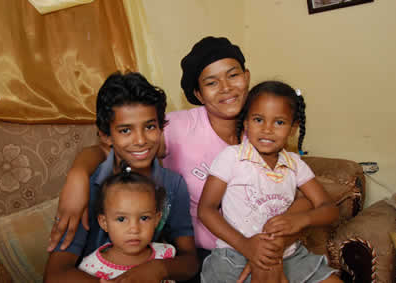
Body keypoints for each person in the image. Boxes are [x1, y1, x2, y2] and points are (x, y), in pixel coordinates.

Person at [48, 36, 313, 281]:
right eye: (211, 82)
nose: (141, 138)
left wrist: (279, 234)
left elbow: (297, 186)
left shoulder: (261, 133)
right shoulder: (174, 131)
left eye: (233, 75)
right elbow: (119, 146)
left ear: (247, 76)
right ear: (197, 94)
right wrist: (78, 174)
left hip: (238, 251)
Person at [43, 72, 199, 283]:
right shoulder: (87, 186)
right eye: (126, 130)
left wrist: (159, 268)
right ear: (106, 136)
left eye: (150, 127)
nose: (141, 140)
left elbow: (190, 260)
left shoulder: (173, 185)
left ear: (161, 127)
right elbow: (55, 274)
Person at [198, 81, 342, 283]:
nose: (267, 129)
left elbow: (329, 209)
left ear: (293, 129)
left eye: (279, 122)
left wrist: (301, 220)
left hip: (289, 255)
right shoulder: (231, 157)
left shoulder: (295, 165)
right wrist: (246, 245)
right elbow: (206, 210)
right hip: (235, 255)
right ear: (246, 123)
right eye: (258, 119)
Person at [78, 160, 175, 282]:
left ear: (156, 220)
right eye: (121, 219)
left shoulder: (166, 255)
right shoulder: (90, 268)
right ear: (104, 222)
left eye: (144, 218)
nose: (134, 229)